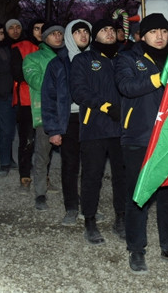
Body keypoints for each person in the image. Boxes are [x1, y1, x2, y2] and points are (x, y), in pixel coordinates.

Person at [115, 13, 168, 273]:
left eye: (164, 31)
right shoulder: (128, 58)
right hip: (139, 137)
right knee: (138, 196)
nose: (160, 36)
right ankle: (136, 250)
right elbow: (126, 86)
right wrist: (156, 79)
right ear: (142, 35)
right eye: (153, 32)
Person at [70, 18, 126, 244]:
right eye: (104, 30)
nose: (109, 33)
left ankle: (121, 217)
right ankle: (90, 220)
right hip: (94, 127)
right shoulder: (83, 60)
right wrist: (103, 105)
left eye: (112, 29)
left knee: (122, 176)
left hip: (122, 127)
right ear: (95, 36)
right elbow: (78, 91)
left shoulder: (124, 58)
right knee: (92, 176)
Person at [42, 19, 92, 225]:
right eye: (77, 32)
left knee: (92, 166)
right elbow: (48, 97)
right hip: (69, 119)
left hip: (93, 119)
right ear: (69, 36)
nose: (82, 35)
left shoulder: (95, 60)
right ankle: (71, 207)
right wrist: (54, 129)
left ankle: (90, 207)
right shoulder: (58, 64)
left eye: (86, 32)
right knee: (70, 165)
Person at [23, 22, 66, 210]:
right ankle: (40, 193)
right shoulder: (32, 59)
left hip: (69, 113)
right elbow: (37, 82)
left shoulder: (70, 56)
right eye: (53, 34)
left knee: (72, 157)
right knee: (42, 155)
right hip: (45, 114)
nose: (57, 36)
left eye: (60, 33)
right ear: (44, 37)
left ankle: (72, 193)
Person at [10, 18, 44, 190]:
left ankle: (43, 177)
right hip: (26, 101)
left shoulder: (51, 48)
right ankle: (24, 176)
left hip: (47, 101)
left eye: (43, 29)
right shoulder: (20, 47)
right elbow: (17, 74)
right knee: (27, 141)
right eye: (36, 28)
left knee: (46, 142)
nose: (40, 32)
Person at [0, 18, 23, 177]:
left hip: (20, 93)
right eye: (11, 29)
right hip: (5, 94)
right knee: (5, 130)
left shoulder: (19, 46)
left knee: (17, 130)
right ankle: (4, 164)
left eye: (18, 28)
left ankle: (11, 159)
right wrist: (14, 65)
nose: (15, 31)